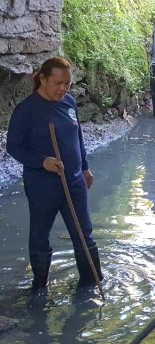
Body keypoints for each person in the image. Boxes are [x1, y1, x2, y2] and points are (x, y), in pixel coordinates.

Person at [7, 56, 103, 290]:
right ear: (42, 79)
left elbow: (77, 136)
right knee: (40, 235)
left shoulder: (69, 102)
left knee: (84, 234)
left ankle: (92, 282)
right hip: (43, 186)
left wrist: (85, 167)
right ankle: (39, 286)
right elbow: (14, 147)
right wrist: (43, 161)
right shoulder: (27, 110)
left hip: (74, 181)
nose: (63, 89)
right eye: (58, 83)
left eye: (67, 84)